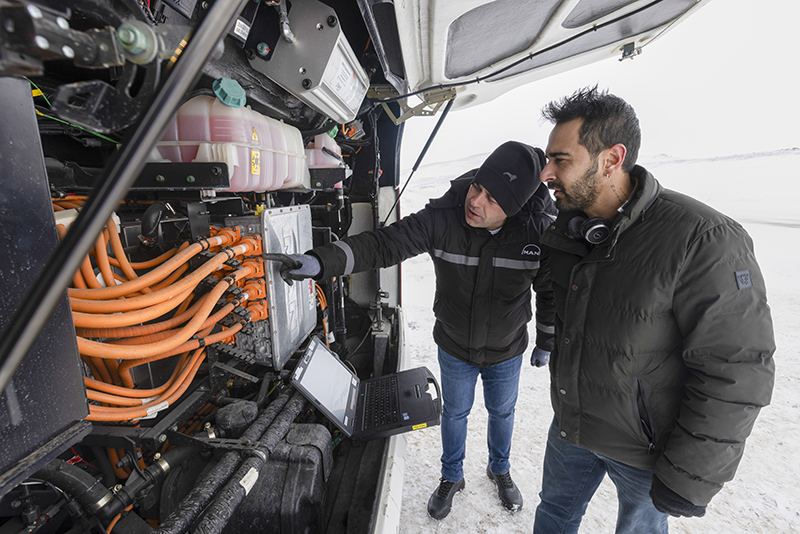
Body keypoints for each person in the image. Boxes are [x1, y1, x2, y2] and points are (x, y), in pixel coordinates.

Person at [532, 86, 776, 533]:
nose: (546, 172)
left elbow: (737, 366)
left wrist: (690, 475)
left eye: (560, 160)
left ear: (612, 158)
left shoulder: (702, 238)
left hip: (644, 451)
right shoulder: (568, 230)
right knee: (553, 515)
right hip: (572, 428)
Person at [281, 141, 557, 520]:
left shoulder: (539, 232)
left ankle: (500, 469)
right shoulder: (444, 217)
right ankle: (451, 476)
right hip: (455, 345)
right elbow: (384, 244)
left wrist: (547, 339)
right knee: (455, 413)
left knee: (502, 412)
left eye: (492, 199)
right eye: (477, 187)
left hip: (507, 348)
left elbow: (549, 291)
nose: (476, 201)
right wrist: (322, 261)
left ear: (515, 209)